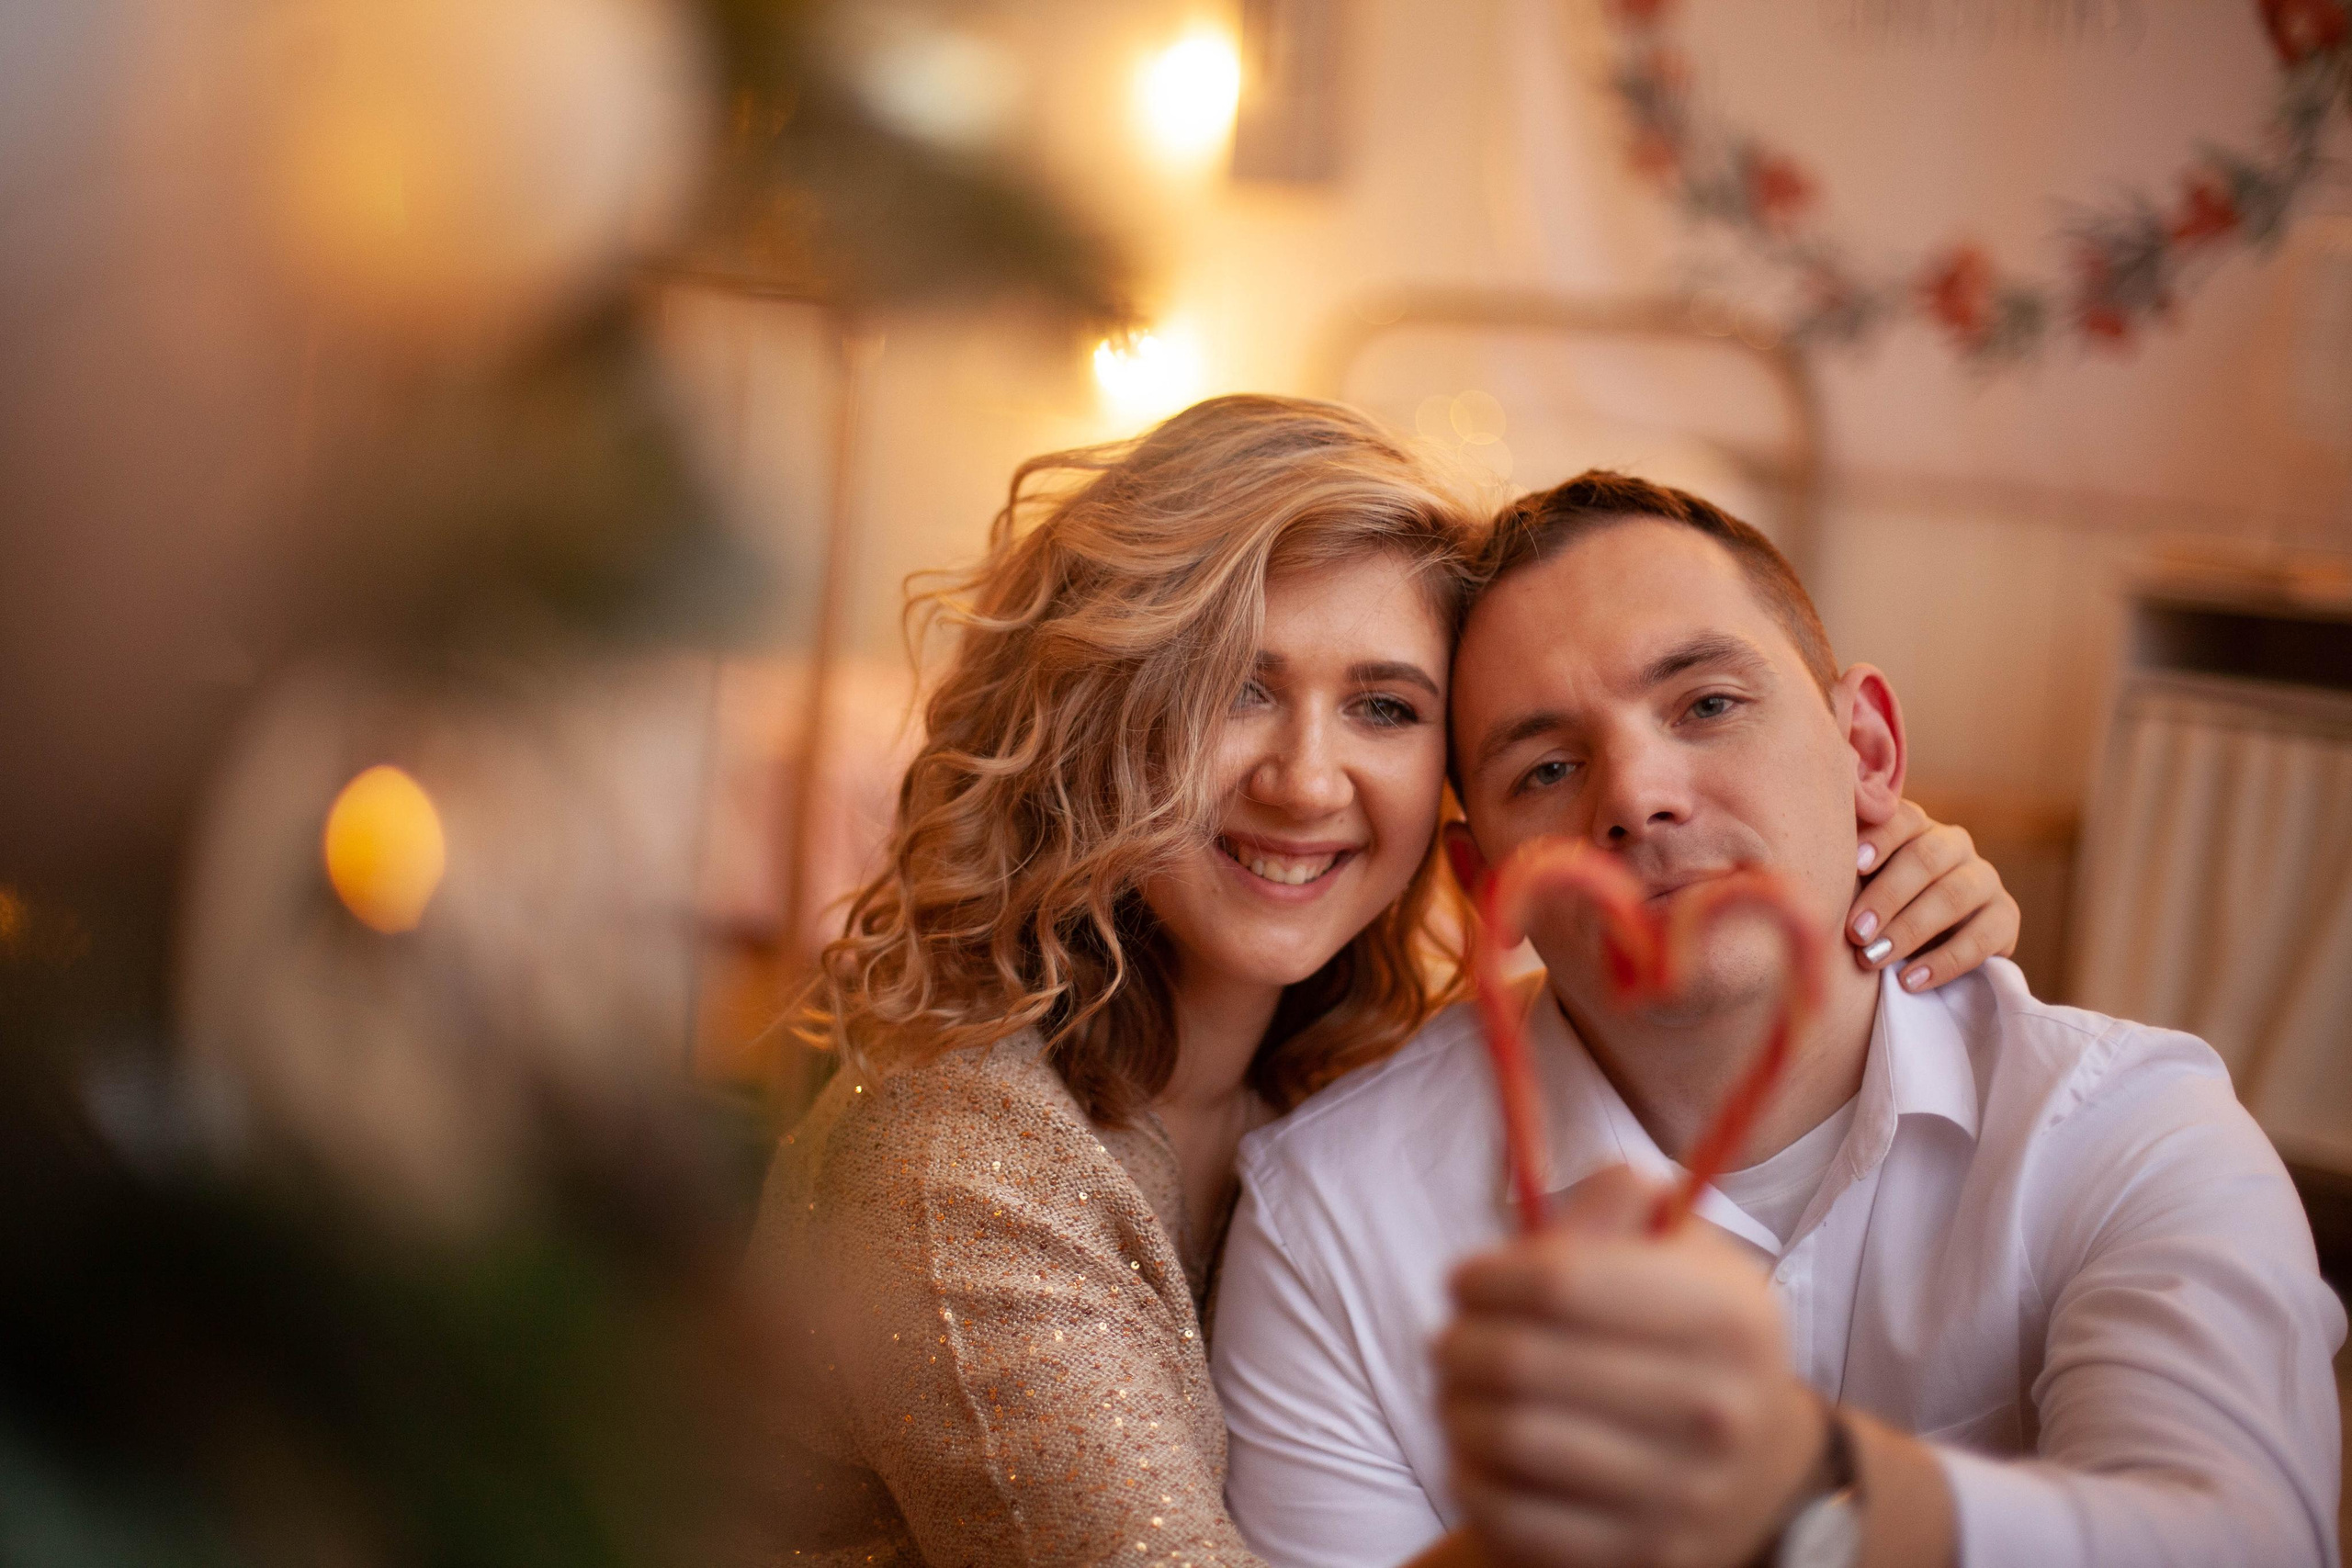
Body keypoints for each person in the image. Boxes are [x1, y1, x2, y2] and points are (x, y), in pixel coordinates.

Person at [739, 401, 2018, 1568]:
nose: (1306, 780)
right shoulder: (963, 1169)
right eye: (1238, 689)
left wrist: (1862, 860)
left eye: (1385, 708)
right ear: (1102, 721)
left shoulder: (1329, 1073)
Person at [1210, 471, 2345, 1568]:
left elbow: (2241, 1542)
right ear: (1484, 885)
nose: (1637, 795)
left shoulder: (2127, 1130)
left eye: (1707, 705)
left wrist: (1816, 1497)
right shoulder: (1330, 1223)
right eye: (1547, 769)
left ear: (1868, 752)